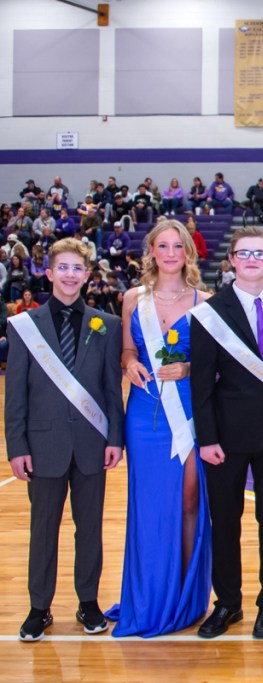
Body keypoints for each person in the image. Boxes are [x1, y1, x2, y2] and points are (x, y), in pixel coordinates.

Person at [5, 238, 125, 641]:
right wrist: (17, 447)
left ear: (87, 275)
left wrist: (115, 437)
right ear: (49, 272)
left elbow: (112, 389)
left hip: (93, 444)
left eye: (78, 268)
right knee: (44, 529)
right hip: (43, 446)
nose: (71, 275)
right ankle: (40, 607)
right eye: (64, 267)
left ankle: (88, 602)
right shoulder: (24, 325)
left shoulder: (106, 325)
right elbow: (15, 393)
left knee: (89, 527)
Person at [108, 219, 213, 637]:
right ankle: (151, 593)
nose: (170, 253)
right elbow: (127, 350)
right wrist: (131, 364)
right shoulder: (134, 298)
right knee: (149, 504)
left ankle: (185, 596)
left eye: (178, 246)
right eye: (162, 246)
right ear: (150, 251)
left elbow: (214, 364)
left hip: (187, 409)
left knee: (189, 499)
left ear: (188, 251)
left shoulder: (205, 302)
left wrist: (188, 366)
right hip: (144, 410)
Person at [190, 227, 263, 639]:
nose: (252, 259)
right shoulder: (210, 312)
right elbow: (201, 384)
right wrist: (207, 438)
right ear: (231, 260)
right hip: (226, 437)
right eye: (244, 253)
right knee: (226, 522)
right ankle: (228, 603)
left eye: (260, 253)